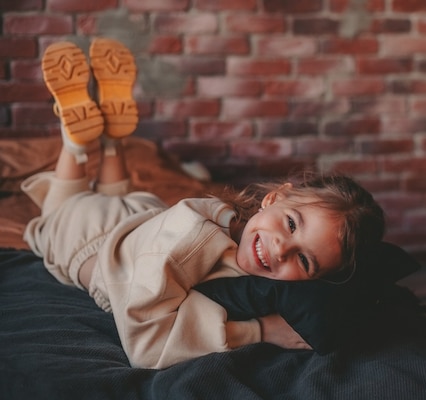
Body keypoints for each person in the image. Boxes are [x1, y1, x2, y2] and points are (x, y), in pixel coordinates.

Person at [21, 39, 385, 369]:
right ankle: (76, 142)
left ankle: (113, 140)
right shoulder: (194, 234)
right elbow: (149, 347)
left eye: (304, 260)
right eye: (291, 224)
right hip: (88, 241)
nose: (281, 249)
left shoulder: (221, 225)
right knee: (56, 209)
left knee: (115, 193)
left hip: (140, 218)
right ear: (274, 199)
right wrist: (262, 331)